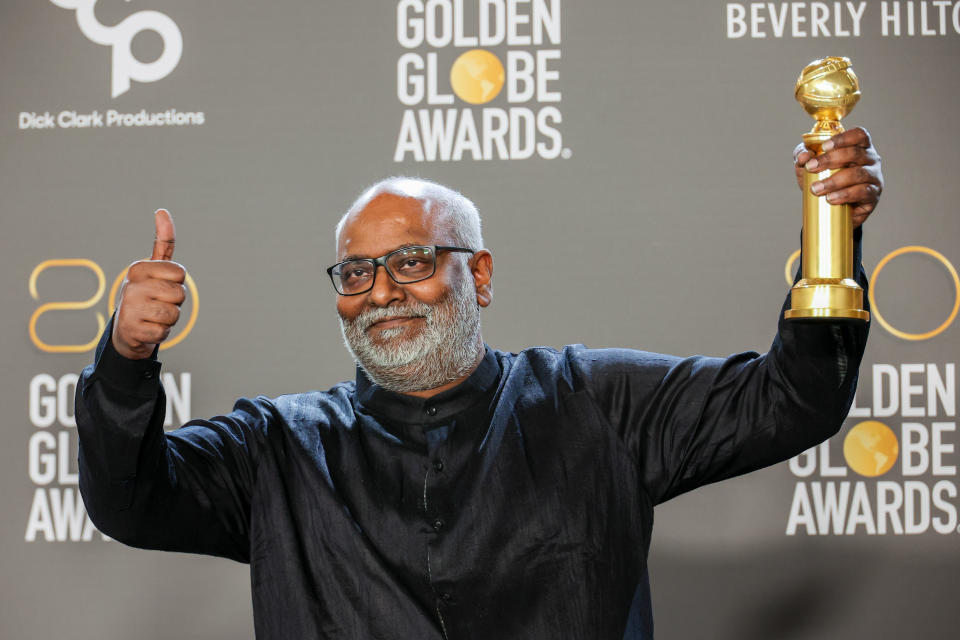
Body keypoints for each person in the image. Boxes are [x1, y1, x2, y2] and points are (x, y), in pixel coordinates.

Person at [76, 128, 883, 639]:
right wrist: (125, 355)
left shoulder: (599, 403)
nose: (382, 291)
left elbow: (793, 399)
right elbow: (130, 499)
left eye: (414, 261)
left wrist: (831, 237)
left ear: (480, 276)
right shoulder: (277, 447)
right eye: (357, 271)